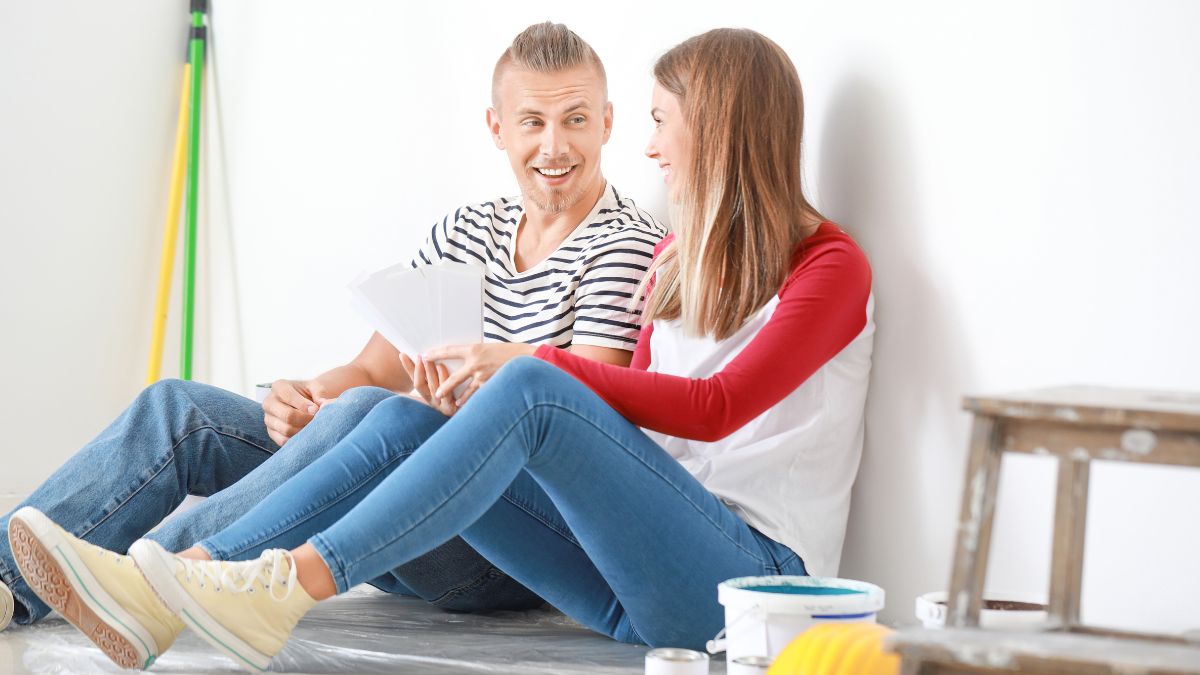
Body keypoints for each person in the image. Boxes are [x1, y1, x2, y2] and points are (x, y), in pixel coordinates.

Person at [13, 27, 874, 671]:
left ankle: (262, 583)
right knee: (375, 414)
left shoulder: (832, 266)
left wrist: (520, 374)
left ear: (718, 129)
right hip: (628, 572)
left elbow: (716, 410)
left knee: (525, 391)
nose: (650, 145)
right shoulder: (679, 259)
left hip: (752, 581)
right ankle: (174, 579)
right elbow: (637, 435)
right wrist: (417, 401)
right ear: (496, 127)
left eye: (658, 123)